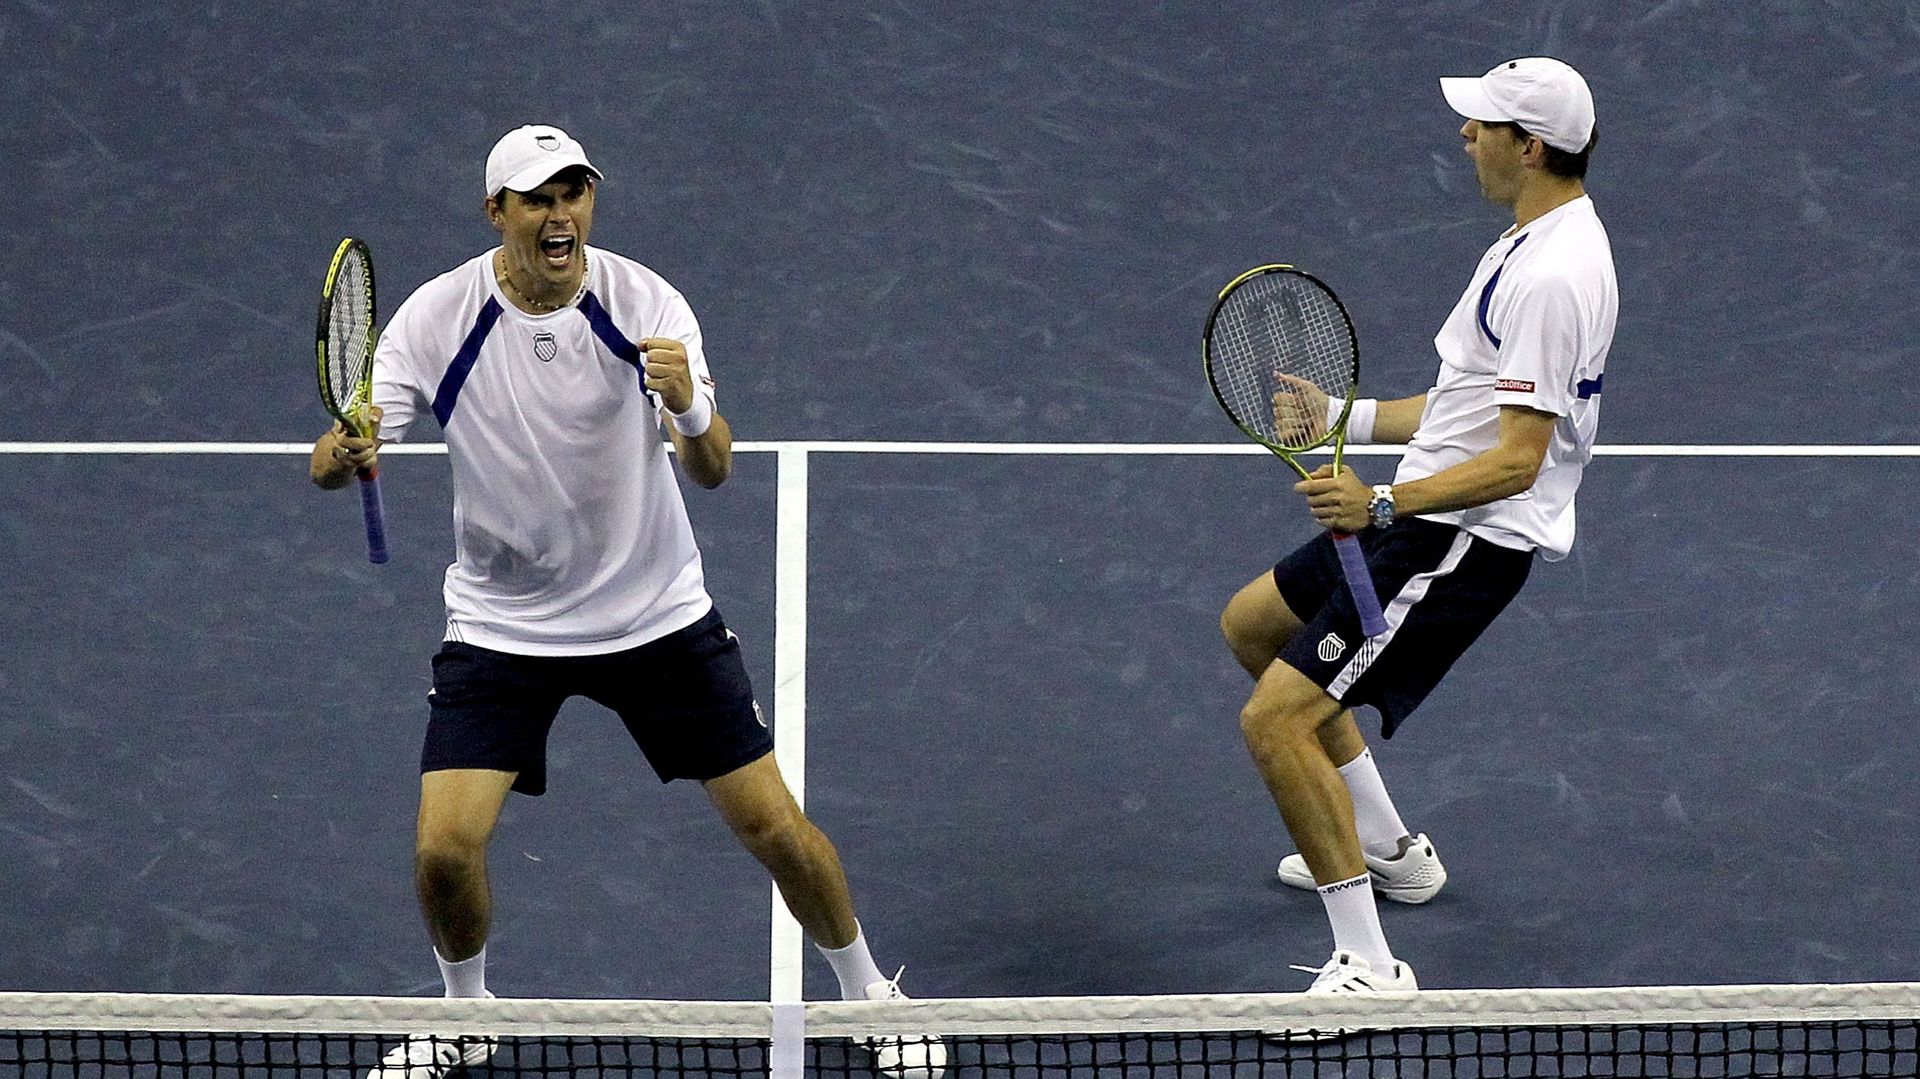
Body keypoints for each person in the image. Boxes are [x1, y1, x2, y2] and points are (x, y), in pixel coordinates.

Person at [310, 124, 943, 1079]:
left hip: (655, 616)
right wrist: (345, 447)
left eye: (574, 193)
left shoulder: (647, 304)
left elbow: (714, 468)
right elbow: (335, 457)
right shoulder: (436, 318)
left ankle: (868, 995)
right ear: (497, 212)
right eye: (538, 198)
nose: (560, 214)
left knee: (776, 828)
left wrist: (689, 404)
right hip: (504, 626)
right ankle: (467, 1011)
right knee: (444, 850)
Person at [1221, 57, 1616, 996]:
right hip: (1427, 511)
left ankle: (1368, 962)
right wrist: (1344, 418)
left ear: (1530, 146)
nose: (1465, 135)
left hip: (1459, 541)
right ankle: (1391, 850)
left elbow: (1518, 460)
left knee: (1277, 723)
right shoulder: (1530, 241)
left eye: (1483, 124)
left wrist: (1382, 504)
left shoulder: (1553, 276)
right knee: (1253, 625)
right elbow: (1465, 405)